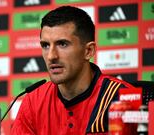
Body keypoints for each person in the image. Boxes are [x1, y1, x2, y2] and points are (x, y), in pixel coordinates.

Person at [11, 6, 135, 135]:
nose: (51, 56)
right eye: (46, 45)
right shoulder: (33, 101)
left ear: (88, 51)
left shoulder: (122, 98)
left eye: (62, 44)